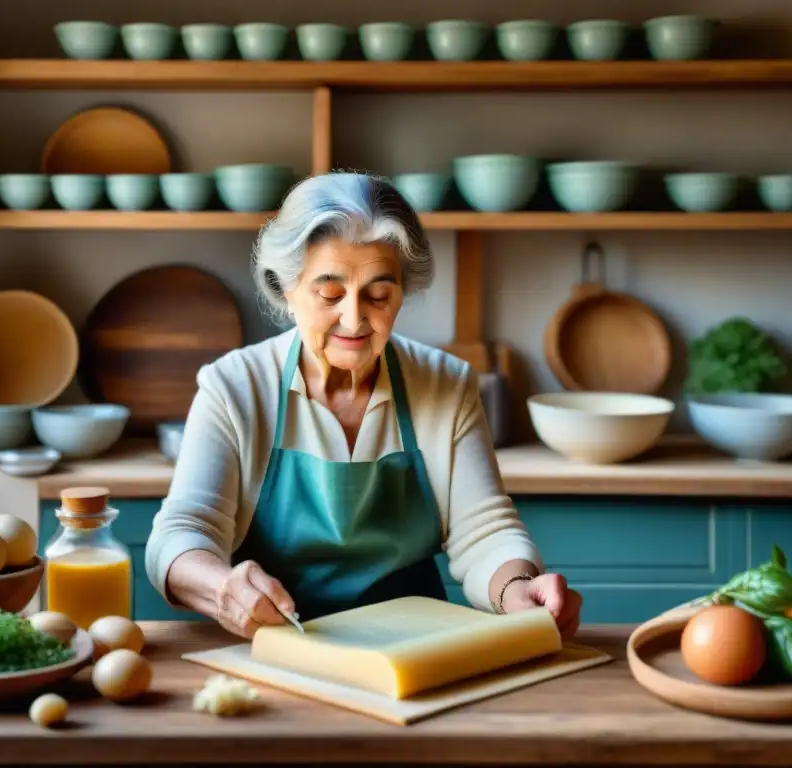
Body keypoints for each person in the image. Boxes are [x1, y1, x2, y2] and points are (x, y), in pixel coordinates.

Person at [145, 172, 582, 639]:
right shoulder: (234, 387)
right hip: (278, 646)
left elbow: (486, 532)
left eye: (378, 295)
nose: (354, 319)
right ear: (286, 287)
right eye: (330, 294)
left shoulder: (445, 384)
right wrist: (221, 587)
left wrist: (515, 588)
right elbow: (180, 535)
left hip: (414, 650)